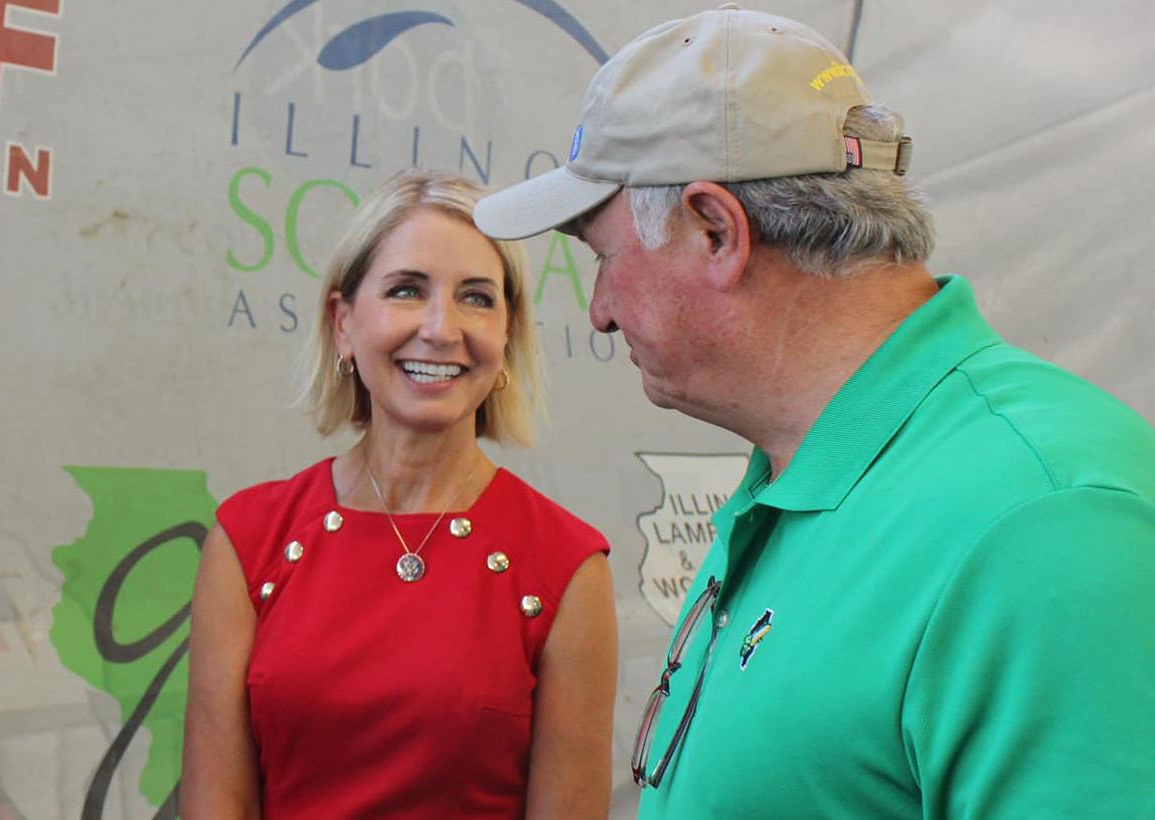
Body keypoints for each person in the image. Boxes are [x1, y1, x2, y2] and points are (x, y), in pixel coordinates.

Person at [474, 6, 1155, 818]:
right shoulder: (802, 473)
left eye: (603, 256)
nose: (599, 310)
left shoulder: (1044, 520)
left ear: (715, 231)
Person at [182, 169, 618, 819]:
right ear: (344, 324)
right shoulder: (249, 542)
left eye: (476, 297)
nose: (442, 328)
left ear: (506, 335)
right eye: (407, 290)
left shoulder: (566, 568)